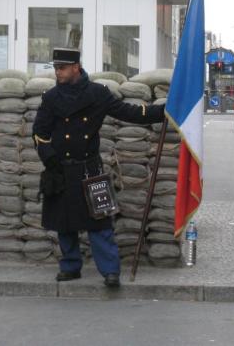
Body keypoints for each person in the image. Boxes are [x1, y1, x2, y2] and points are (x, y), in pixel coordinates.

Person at [33, 48, 165, 289]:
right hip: (60, 167)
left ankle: (110, 271)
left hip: (89, 168)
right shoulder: (51, 98)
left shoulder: (97, 94)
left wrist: (162, 111)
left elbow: (129, 113)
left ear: (76, 67)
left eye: (61, 68)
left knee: (100, 222)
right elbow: (40, 133)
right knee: (64, 223)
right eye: (55, 68)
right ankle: (70, 266)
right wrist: (49, 159)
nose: (57, 73)